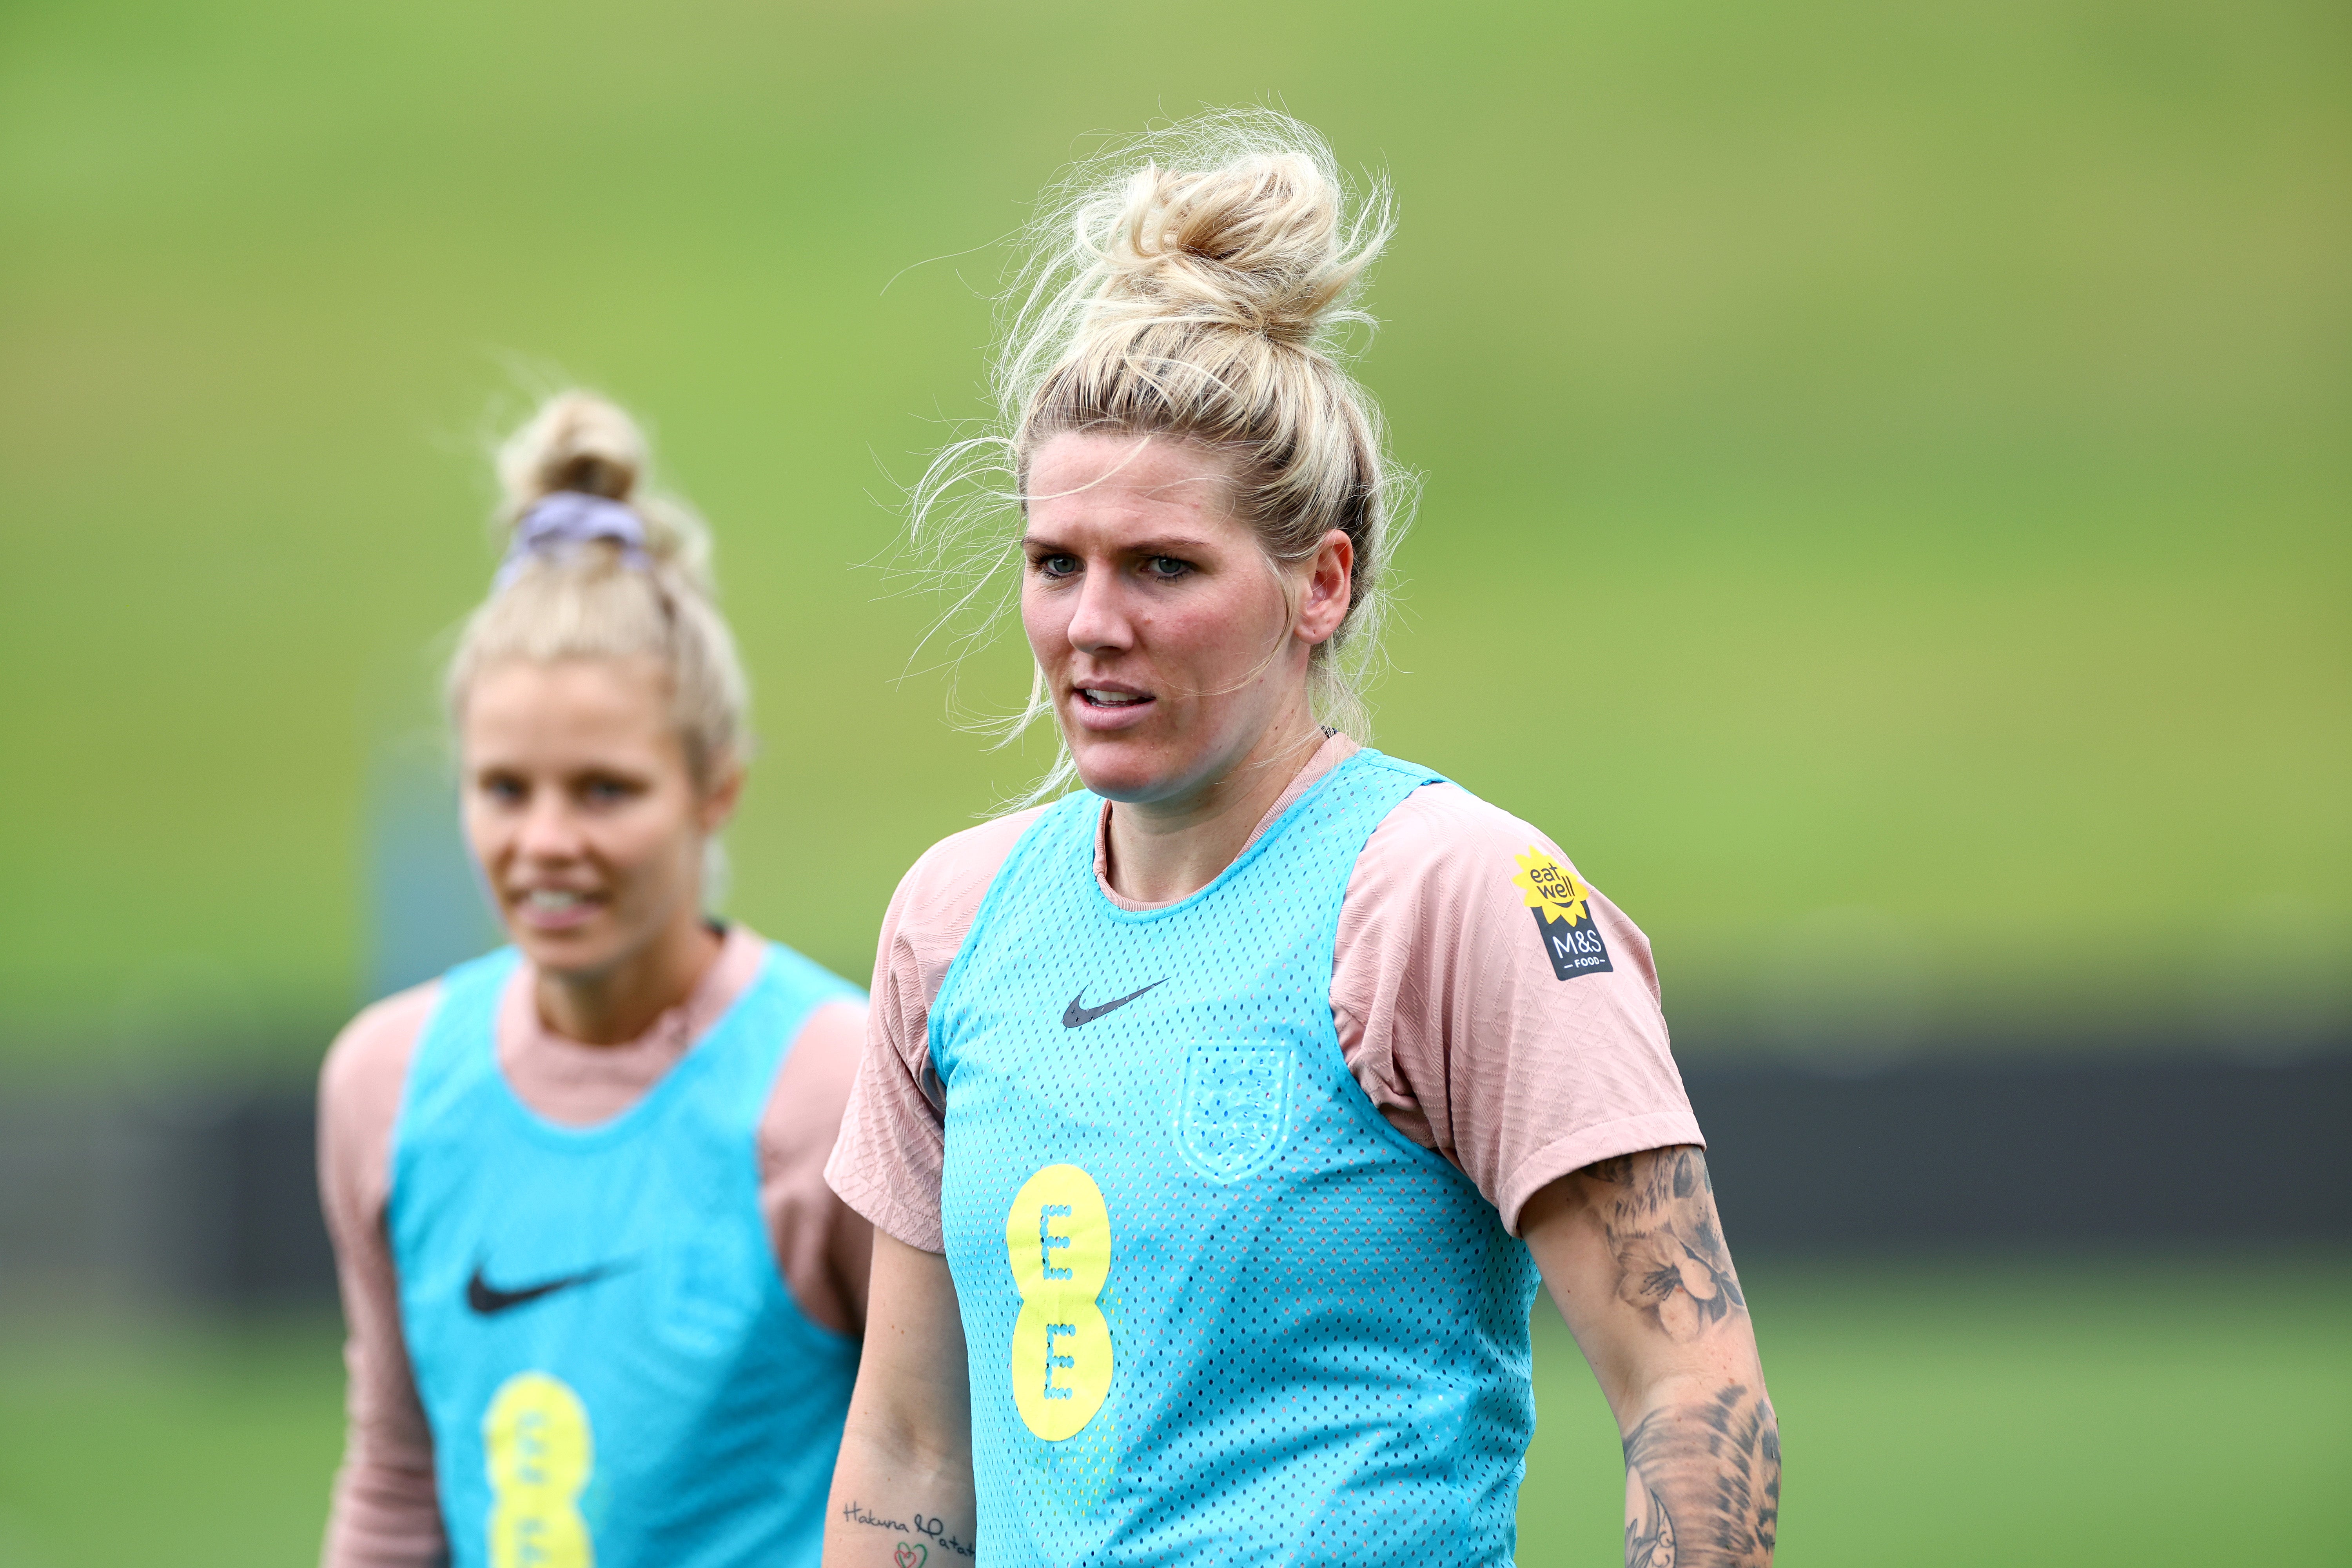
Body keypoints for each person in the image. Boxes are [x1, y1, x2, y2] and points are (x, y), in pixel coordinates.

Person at [821, 111, 1778, 1568]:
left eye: (1163, 567)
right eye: (1054, 565)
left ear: (1319, 583)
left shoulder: (1446, 893)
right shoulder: (954, 923)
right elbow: (906, 1454)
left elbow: (1691, 1393)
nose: (1092, 624)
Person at [317, 391, 871, 1568]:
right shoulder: (386, 1081)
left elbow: (937, 1472)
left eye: (606, 790)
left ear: (716, 788)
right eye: (506, 790)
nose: (547, 842)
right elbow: (396, 1479)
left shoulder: (832, 1083)